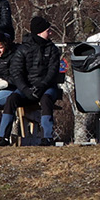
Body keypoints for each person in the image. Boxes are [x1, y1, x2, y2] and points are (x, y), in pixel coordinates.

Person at [20, 15, 62, 146]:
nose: (50, 33)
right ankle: (3, 137)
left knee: (46, 98)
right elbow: (17, 71)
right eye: (47, 30)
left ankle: (47, 136)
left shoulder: (52, 49)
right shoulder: (24, 48)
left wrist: (42, 85)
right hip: (28, 87)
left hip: (47, 86)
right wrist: (26, 88)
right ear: (39, 32)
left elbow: (52, 71)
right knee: (12, 99)